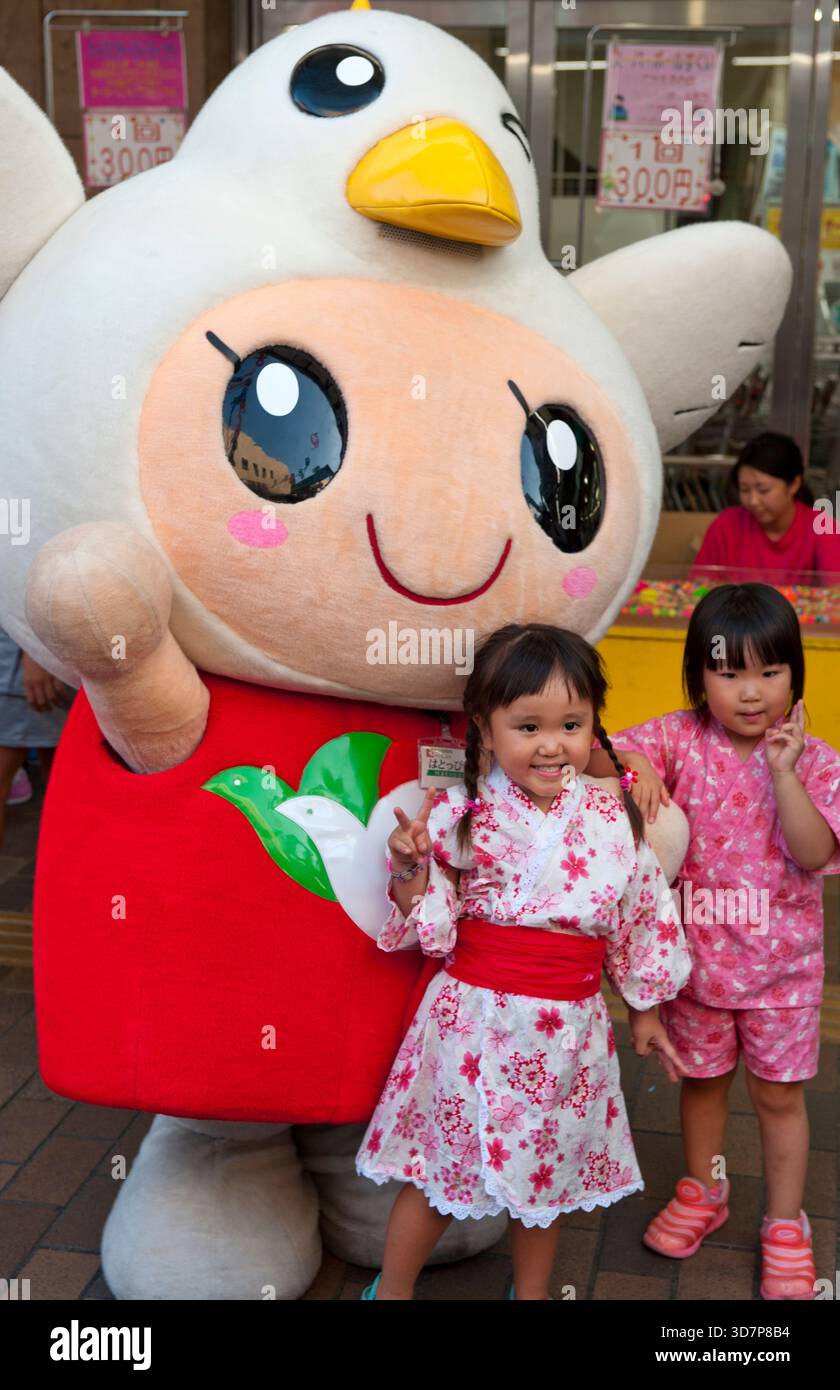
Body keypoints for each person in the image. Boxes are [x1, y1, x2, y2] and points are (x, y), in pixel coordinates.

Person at [355, 623, 691, 1301]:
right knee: (436, 1175)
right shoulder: (457, 814)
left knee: (546, 1180)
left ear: (594, 724)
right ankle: (390, 1292)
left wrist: (645, 1010)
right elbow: (433, 930)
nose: (550, 743)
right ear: (484, 725)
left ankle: (532, 1296)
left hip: (566, 1034)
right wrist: (410, 869)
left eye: (571, 723)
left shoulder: (611, 818)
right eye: (528, 724)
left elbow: (640, 914)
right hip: (472, 1026)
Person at [586, 584, 840, 1300]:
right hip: (695, 973)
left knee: (780, 1100)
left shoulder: (815, 759)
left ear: (796, 673)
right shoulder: (678, 738)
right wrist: (633, 766)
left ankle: (788, 1225)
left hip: (784, 980)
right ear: (700, 676)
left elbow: (814, 851)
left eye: (769, 672)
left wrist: (784, 774)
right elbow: (612, 752)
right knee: (701, 1086)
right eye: (729, 673)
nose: (750, 692)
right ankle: (705, 1189)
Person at [691, 431, 840, 584]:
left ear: (794, 484)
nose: (753, 501)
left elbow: (836, 592)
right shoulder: (725, 526)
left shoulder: (823, 528)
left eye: (764, 490)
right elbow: (700, 586)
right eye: (745, 490)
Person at [0, 627, 72, 849]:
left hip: (29, 658)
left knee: (65, 787)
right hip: (25, 651)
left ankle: (63, 877)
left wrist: (35, 650)